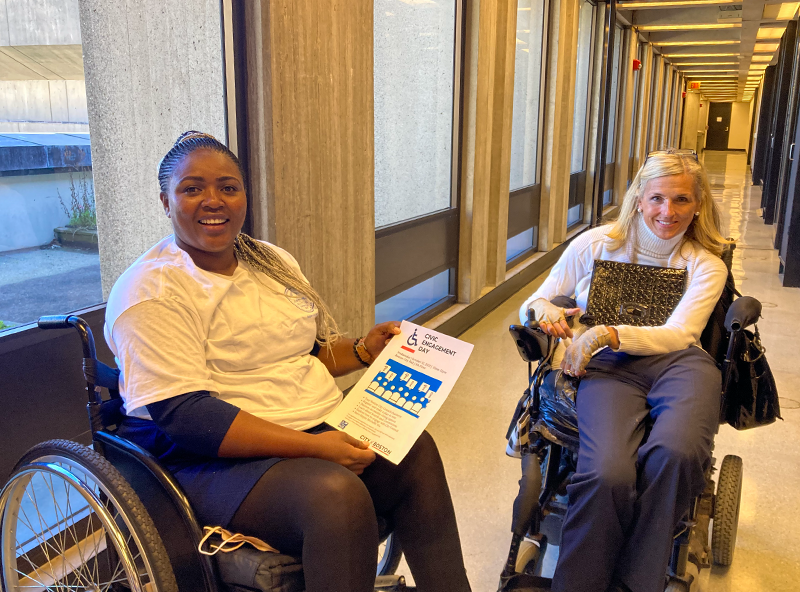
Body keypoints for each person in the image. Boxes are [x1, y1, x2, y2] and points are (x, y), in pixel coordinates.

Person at [104, 131, 472, 592]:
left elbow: (306, 352)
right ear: (165, 200)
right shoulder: (151, 291)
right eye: (192, 188)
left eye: (228, 187)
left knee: (414, 453)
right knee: (335, 497)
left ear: (244, 194)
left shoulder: (270, 260)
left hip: (309, 427)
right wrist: (318, 448)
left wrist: (362, 349)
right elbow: (186, 418)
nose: (213, 200)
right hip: (206, 460)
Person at [518, 150, 729, 592]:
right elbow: (538, 299)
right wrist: (541, 310)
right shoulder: (596, 244)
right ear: (638, 198)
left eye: (682, 200)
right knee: (606, 472)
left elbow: (678, 334)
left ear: (698, 204)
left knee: (677, 452)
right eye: (656, 198)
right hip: (611, 369)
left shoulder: (704, 264)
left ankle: (635, 582)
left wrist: (607, 333)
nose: (667, 212)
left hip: (680, 364)